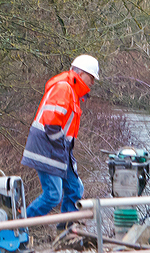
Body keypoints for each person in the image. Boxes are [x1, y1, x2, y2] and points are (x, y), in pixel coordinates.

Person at [21, 54, 100, 218]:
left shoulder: (72, 92)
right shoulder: (64, 88)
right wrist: (61, 148)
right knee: (52, 195)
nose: (92, 83)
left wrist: (65, 151)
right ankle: (19, 227)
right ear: (81, 73)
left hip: (58, 148)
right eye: (92, 77)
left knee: (75, 188)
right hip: (47, 148)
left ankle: (67, 230)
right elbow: (51, 125)